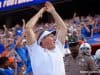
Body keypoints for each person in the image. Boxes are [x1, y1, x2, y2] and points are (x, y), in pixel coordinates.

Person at [25, 1, 67, 75]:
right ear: (42, 39)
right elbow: (28, 28)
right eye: (51, 36)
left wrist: (53, 11)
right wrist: (40, 12)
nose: (54, 38)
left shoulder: (58, 47)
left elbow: (63, 28)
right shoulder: (35, 50)